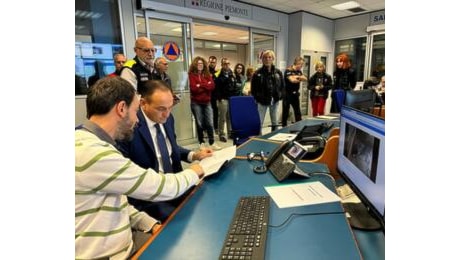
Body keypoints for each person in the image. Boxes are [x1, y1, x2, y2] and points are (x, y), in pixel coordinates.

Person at [75, 76, 205, 259]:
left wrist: (147, 222)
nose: (137, 120)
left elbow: (116, 200)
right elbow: (160, 187)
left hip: (126, 238)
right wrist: (196, 170)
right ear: (121, 109)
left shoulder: (85, 141)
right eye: (136, 111)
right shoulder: (96, 153)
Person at [117, 80, 213, 221]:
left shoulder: (168, 119)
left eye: (170, 107)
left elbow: (170, 148)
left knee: (206, 200)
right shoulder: (130, 127)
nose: (167, 114)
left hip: (176, 183)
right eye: (161, 109)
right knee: (179, 220)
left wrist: (194, 155)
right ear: (143, 103)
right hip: (151, 196)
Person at [189, 56, 221, 150]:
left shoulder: (207, 74)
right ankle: (201, 142)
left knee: (210, 123)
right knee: (200, 123)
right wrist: (205, 85)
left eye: (202, 64)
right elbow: (194, 89)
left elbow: (212, 86)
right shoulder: (191, 75)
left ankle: (212, 142)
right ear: (195, 64)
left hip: (207, 102)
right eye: (198, 64)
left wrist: (200, 85)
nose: (200, 65)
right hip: (196, 103)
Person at [251, 50, 285, 131]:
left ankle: (274, 138)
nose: (267, 59)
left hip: (275, 100)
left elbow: (282, 86)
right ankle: (259, 139)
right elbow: (254, 89)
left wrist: (280, 95)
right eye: (265, 57)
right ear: (262, 59)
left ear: (273, 59)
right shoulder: (257, 73)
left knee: (275, 122)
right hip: (262, 101)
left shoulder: (278, 72)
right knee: (259, 123)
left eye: (269, 57)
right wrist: (258, 98)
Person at [214, 58, 237, 142]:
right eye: (224, 64)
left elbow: (234, 87)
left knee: (229, 117)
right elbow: (216, 88)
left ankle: (230, 133)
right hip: (222, 99)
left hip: (231, 99)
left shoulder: (232, 74)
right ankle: (221, 134)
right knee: (222, 117)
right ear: (222, 65)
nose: (226, 65)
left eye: (228, 64)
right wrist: (219, 98)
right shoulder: (218, 74)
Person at [281, 56, 307, 126]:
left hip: (295, 94)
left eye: (302, 64)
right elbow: (293, 80)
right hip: (287, 94)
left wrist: (296, 77)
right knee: (286, 111)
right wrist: (298, 78)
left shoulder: (299, 71)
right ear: (296, 63)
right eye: (300, 64)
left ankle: (299, 125)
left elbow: (305, 78)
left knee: (297, 111)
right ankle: (284, 126)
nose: (301, 66)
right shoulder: (288, 70)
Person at [208, 56, 219, 132]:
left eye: (214, 62)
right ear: (209, 62)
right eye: (211, 62)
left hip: (215, 96)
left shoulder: (217, 72)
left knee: (215, 112)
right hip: (207, 96)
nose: (212, 64)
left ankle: (215, 127)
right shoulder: (205, 72)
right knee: (207, 113)